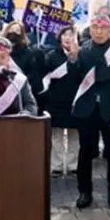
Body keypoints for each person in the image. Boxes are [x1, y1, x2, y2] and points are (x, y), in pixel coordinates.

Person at [68, 14, 110, 210]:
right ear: (90, 29)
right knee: (86, 152)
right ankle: (84, 191)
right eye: (95, 28)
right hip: (87, 110)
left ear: (109, 31)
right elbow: (73, 80)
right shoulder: (82, 51)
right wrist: (72, 59)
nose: (98, 32)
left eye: (102, 28)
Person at [42, 26, 81, 176]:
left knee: (74, 135)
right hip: (56, 100)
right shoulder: (52, 55)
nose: (67, 38)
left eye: (71, 35)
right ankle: (56, 165)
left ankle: (73, 165)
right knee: (56, 136)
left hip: (75, 100)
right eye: (65, 34)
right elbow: (45, 76)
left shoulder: (81, 55)